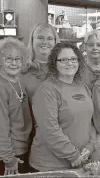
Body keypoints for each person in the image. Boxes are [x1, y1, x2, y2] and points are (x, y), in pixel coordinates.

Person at [30, 43, 95, 172]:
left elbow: (90, 121)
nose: (69, 63)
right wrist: (72, 155)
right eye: (63, 60)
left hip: (80, 160)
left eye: (73, 59)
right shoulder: (47, 90)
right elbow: (50, 129)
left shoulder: (83, 87)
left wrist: (91, 145)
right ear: (54, 63)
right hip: (51, 165)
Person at [0, 37, 32, 176]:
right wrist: (8, 158)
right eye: (8, 59)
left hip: (23, 151)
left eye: (18, 59)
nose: (14, 63)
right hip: (7, 157)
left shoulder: (19, 82)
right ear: (0, 61)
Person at [21, 23, 60, 101]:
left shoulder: (63, 69)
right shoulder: (22, 69)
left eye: (50, 38)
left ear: (55, 42)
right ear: (32, 41)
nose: (45, 42)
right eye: (40, 38)